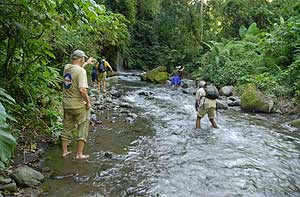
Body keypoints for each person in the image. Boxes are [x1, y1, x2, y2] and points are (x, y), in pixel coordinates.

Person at [61, 49, 94, 159]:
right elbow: (82, 90)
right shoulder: (81, 72)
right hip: (78, 105)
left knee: (66, 127)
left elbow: (77, 70)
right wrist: (88, 102)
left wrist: (86, 63)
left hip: (66, 103)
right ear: (81, 59)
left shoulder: (67, 68)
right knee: (83, 126)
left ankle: (65, 152)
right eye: (83, 58)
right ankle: (79, 154)